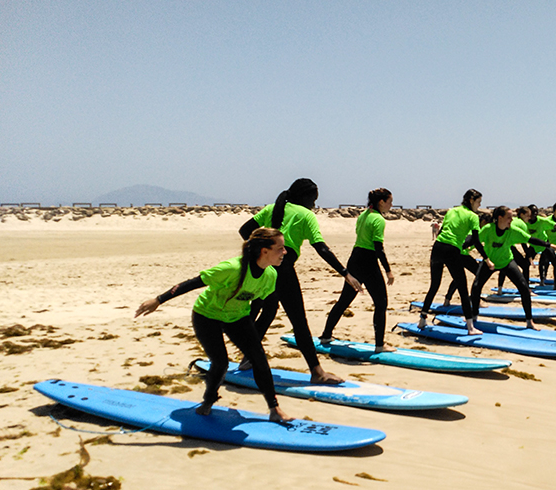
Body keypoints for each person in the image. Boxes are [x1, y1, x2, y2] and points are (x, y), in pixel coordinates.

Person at [134, 228, 293, 422]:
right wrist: (159, 300)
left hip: (236, 317)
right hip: (206, 316)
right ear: (264, 251)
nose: (285, 252)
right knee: (221, 362)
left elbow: (262, 304)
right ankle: (207, 402)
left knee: (259, 359)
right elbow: (192, 283)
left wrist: (251, 334)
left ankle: (274, 409)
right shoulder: (231, 269)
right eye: (280, 248)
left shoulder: (270, 275)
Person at [238, 178, 360, 384]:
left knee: (267, 312)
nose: (314, 205)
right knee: (299, 321)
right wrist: (345, 272)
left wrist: (258, 254)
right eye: (313, 200)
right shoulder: (306, 215)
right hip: (283, 270)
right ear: (305, 198)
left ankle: (247, 357)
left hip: (263, 267)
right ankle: (317, 372)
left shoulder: (271, 209)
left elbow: (244, 230)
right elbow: (321, 247)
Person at [319, 188, 395, 352]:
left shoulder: (363, 215)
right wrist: (388, 270)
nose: (391, 205)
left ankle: (326, 334)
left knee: (344, 301)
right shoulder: (378, 220)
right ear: (381, 202)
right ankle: (380, 345)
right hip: (368, 261)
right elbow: (378, 248)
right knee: (381, 303)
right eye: (390, 202)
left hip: (355, 259)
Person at [470, 206, 556, 330]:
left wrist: (549, 245)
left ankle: (530, 321)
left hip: (507, 262)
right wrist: (459, 248)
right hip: (490, 263)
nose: (511, 220)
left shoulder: (512, 231)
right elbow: (474, 240)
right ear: (500, 218)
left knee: (524, 289)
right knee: (476, 288)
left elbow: (530, 239)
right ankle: (473, 316)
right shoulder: (488, 229)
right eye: (509, 217)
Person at [417, 189, 492, 335]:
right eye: (478, 202)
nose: (480, 205)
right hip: (451, 250)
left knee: (434, 285)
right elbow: (476, 241)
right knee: (463, 288)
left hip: (437, 247)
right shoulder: (472, 216)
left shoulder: (452, 211)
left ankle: (422, 319)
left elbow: (441, 231)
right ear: (471, 200)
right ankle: (470, 328)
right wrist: (487, 259)